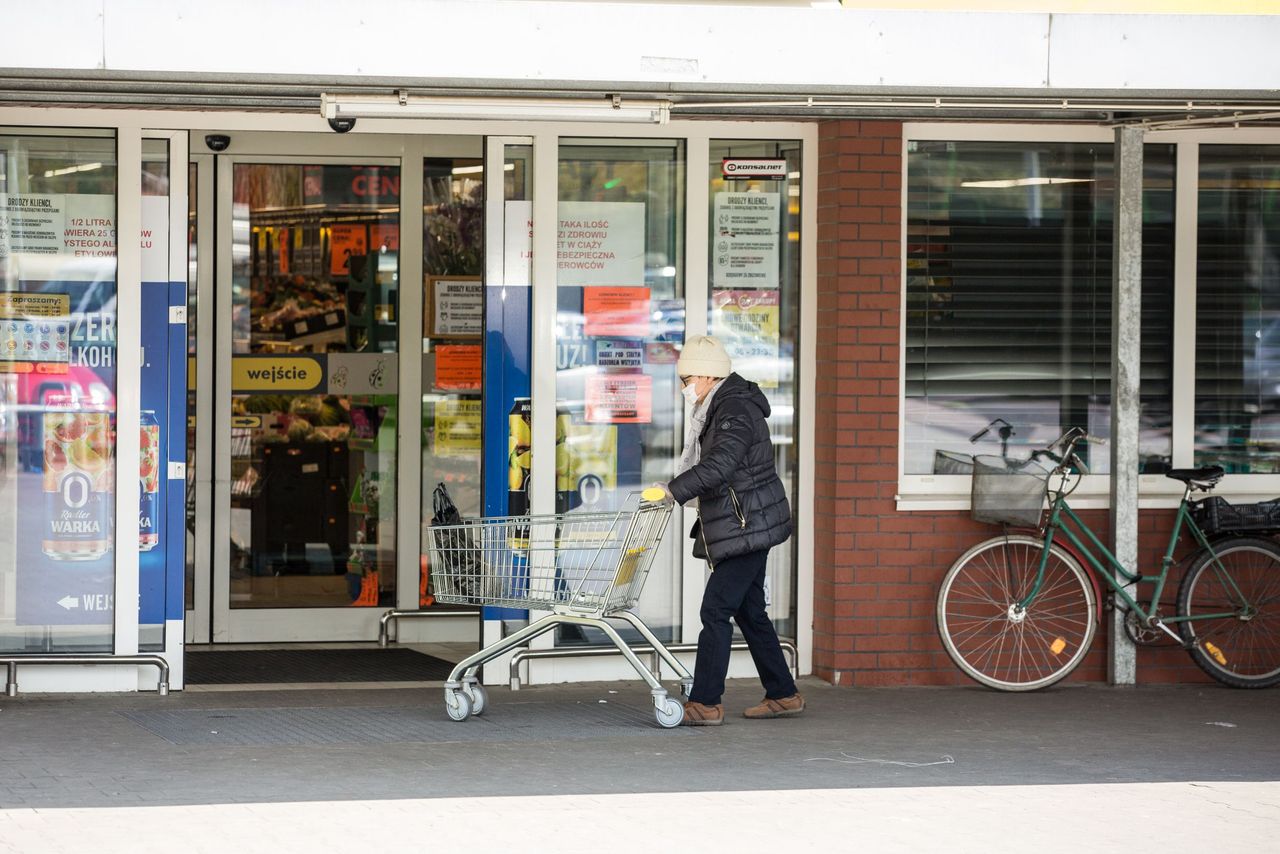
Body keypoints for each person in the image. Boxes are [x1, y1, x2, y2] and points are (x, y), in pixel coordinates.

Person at [663, 335, 803, 725]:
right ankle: (783, 693)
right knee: (750, 610)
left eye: (686, 378)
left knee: (716, 609)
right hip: (748, 522)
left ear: (708, 376)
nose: (684, 388)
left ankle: (705, 703)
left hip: (748, 525)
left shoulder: (733, 409)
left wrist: (671, 491)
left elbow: (720, 466)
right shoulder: (723, 404)